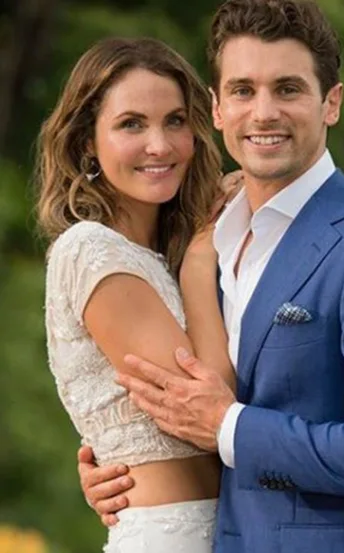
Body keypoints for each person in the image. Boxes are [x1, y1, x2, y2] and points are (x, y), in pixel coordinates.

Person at [76, 1, 344, 552]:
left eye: (288, 89)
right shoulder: (203, 241)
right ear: (219, 109)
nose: (263, 112)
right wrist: (118, 466)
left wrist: (230, 426)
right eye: (243, 91)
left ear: (331, 103)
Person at [37, 37, 230, 552]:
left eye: (174, 120)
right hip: (172, 535)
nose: (160, 145)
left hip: (222, 527)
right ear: (86, 142)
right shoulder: (90, 250)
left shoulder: (161, 252)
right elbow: (209, 404)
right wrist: (199, 262)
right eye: (131, 124)